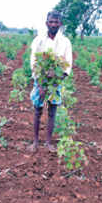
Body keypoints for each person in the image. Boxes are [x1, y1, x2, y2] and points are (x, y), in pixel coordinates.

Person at [27, 10, 73, 153]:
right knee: (37, 110)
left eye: (56, 21)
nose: (53, 24)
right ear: (47, 23)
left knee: (52, 111)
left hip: (56, 82)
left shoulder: (65, 42)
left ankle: (48, 142)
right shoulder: (39, 40)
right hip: (40, 80)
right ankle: (35, 142)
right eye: (51, 22)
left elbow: (68, 65)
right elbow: (34, 62)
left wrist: (56, 81)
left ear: (60, 23)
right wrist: (40, 84)